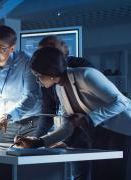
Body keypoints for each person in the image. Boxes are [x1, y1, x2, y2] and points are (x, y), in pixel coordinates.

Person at [15, 47, 131, 180]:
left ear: (51, 73)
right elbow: (67, 126)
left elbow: (121, 102)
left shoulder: (87, 75)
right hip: (103, 131)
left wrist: (89, 118)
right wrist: (38, 142)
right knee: (99, 175)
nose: (38, 81)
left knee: (120, 175)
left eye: (39, 76)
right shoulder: (60, 88)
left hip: (128, 127)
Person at [33, 35, 93, 180]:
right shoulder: (46, 75)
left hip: (88, 131)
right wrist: (35, 140)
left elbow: (85, 114)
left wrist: (67, 141)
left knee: (83, 175)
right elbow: (48, 110)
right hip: (67, 129)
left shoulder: (81, 69)